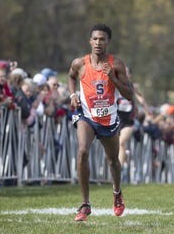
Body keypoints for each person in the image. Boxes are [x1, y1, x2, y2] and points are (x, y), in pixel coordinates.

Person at [67, 24, 133, 221]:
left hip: (109, 118)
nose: (98, 42)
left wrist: (112, 77)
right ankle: (85, 204)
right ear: (90, 41)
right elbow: (70, 76)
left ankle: (117, 192)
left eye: (102, 39)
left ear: (108, 42)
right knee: (82, 151)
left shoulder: (117, 64)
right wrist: (72, 94)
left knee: (113, 160)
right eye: (95, 39)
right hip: (86, 116)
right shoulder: (80, 64)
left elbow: (129, 95)